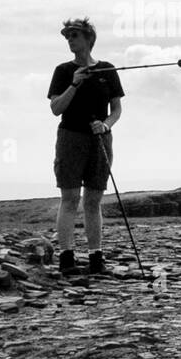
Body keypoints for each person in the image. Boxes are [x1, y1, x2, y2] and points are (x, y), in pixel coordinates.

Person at [46, 18, 124, 276]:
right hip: (70, 137)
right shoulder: (62, 71)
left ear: (89, 38)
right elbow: (56, 108)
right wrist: (75, 83)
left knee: (93, 199)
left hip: (99, 139)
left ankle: (95, 258)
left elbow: (117, 110)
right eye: (67, 36)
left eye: (75, 35)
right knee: (69, 199)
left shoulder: (107, 70)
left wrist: (106, 125)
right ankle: (66, 258)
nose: (70, 40)